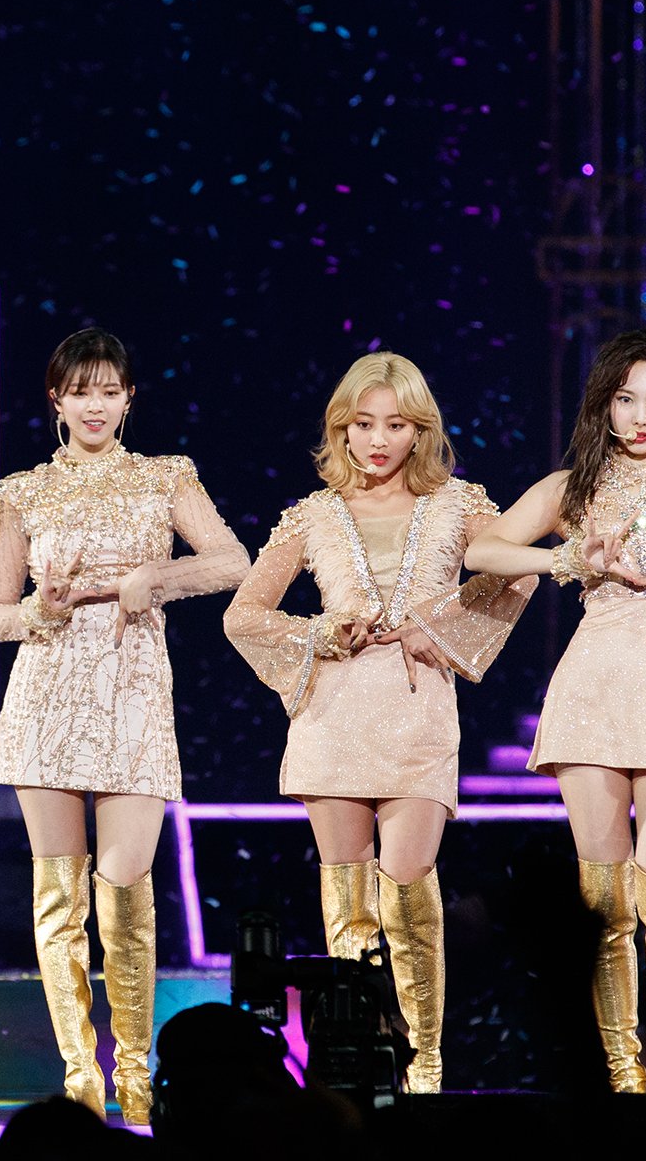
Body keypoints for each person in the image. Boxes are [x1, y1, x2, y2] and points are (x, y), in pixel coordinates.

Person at [465, 328, 646, 1093]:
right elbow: (484, 552)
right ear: (603, 405)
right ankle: (621, 1075)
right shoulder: (572, 488)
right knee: (606, 899)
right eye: (626, 400)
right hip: (593, 689)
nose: (640, 417)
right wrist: (567, 558)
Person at [224, 352, 533, 1093]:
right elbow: (243, 616)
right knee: (350, 912)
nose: (378, 440)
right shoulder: (313, 514)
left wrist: (441, 629)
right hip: (333, 717)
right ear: (342, 429)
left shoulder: (459, 504)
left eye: (395, 425)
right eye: (363, 425)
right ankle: (354, 1073)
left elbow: (517, 570)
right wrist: (322, 634)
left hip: (418, 715)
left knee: (411, 893)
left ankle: (425, 1075)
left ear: (420, 430)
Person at [0, 329, 247, 1122]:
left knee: (126, 888)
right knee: (59, 900)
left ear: (129, 398)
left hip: (132, 689)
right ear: (55, 400)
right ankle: (78, 1076)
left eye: (108, 390)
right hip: (48, 692)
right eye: (79, 391)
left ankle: (135, 1071)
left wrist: (155, 576)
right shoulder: (20, 493)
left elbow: (233, 561)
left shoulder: (166, 477)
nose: (94, 405)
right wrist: (38, 610)